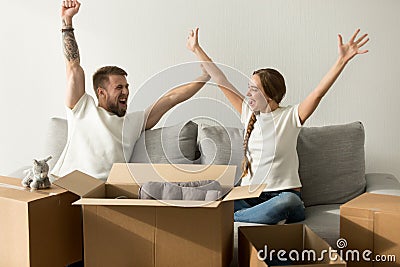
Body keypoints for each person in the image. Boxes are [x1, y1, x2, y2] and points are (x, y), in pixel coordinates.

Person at [187, 27, 369, 224]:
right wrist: (197, 48)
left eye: (254, 89)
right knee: (216, 195)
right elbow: (221, 79)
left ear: (269, 94)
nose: (248, 94)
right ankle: (256, 217)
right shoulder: (248, 115)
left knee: (288, 202)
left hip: (284, 196)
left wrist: (341, 61)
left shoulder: (291, 116)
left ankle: (233, 218)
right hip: (249, 197)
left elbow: (318, 93)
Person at [51, 0, 210, 180]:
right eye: (119, 87)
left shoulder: (133, 123)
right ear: (101, 92)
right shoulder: (82, 109)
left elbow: (170, 98)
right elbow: (73, 67)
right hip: (65, 185)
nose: (126, 92)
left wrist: (204, 78)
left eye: (127, 87)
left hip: (102, 192)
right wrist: (67, 21)